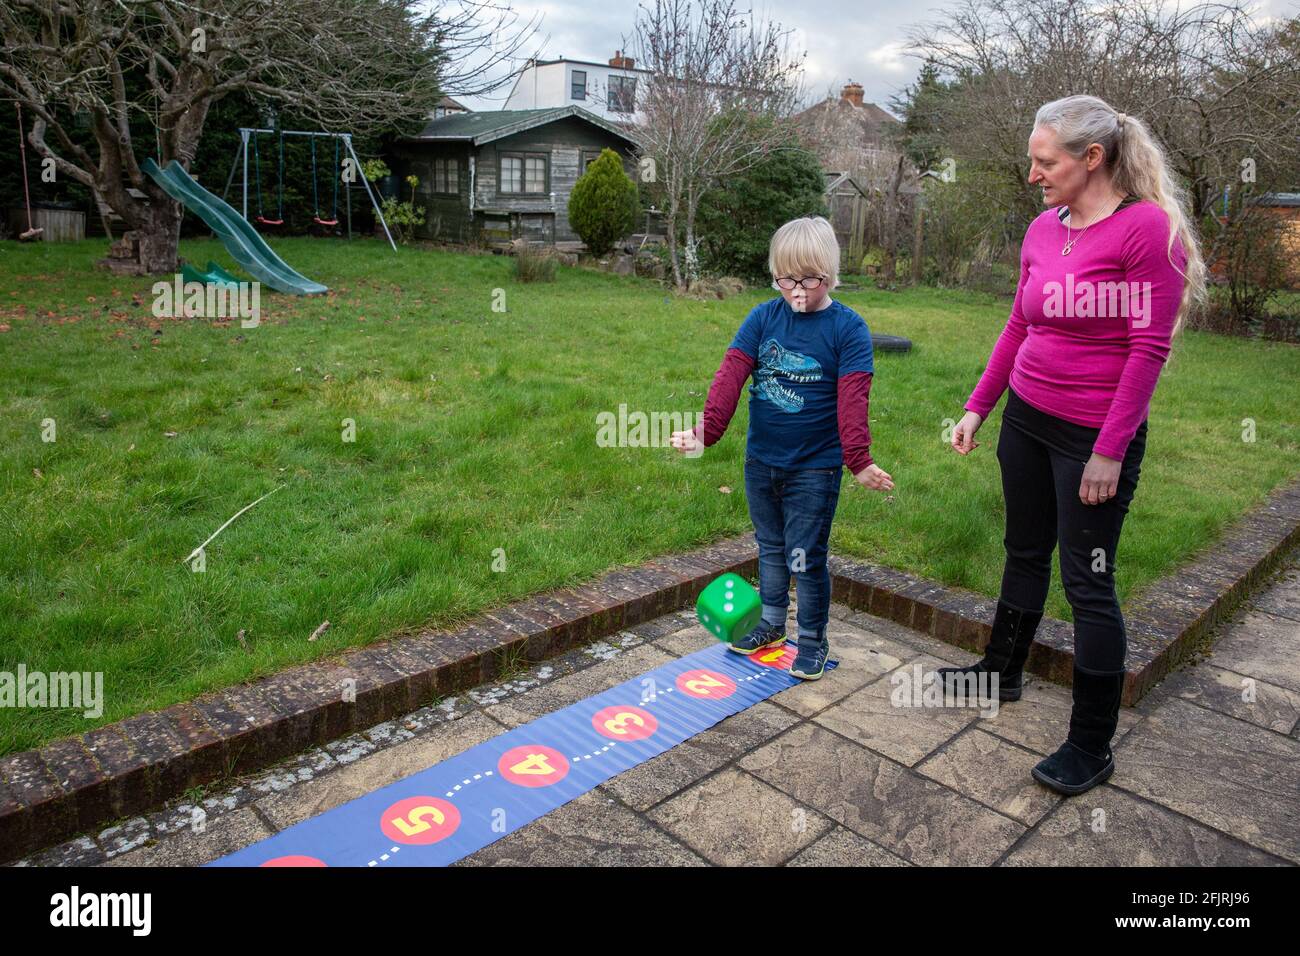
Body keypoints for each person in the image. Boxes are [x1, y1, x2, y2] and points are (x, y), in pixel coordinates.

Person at [943, 95, 1205, 795]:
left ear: (1093, 159)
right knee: (1024, 550)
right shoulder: (1041, 230)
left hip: (1093, 436)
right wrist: (978, 407)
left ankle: (1091, 744)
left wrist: (1110, 451)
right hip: (1025, 420)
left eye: (1045, 160)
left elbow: (1148, 348)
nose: (1033, 174)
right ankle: (999, 674)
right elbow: (1017, 328)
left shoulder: (1147, 230)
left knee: (1088, 580)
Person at [671, 216, 894, 679]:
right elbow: (729, 376)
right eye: (785, 279)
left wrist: (859, 460)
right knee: (771, 549)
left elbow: (853, 401)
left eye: (808, 280)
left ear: (829, 274)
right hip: (761, 463)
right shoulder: (762, 318)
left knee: (806, 558)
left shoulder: (848, 329)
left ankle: (812, 639)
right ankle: (772, 623)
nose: (796, 290)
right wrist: (704, 432)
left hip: (815, 470)